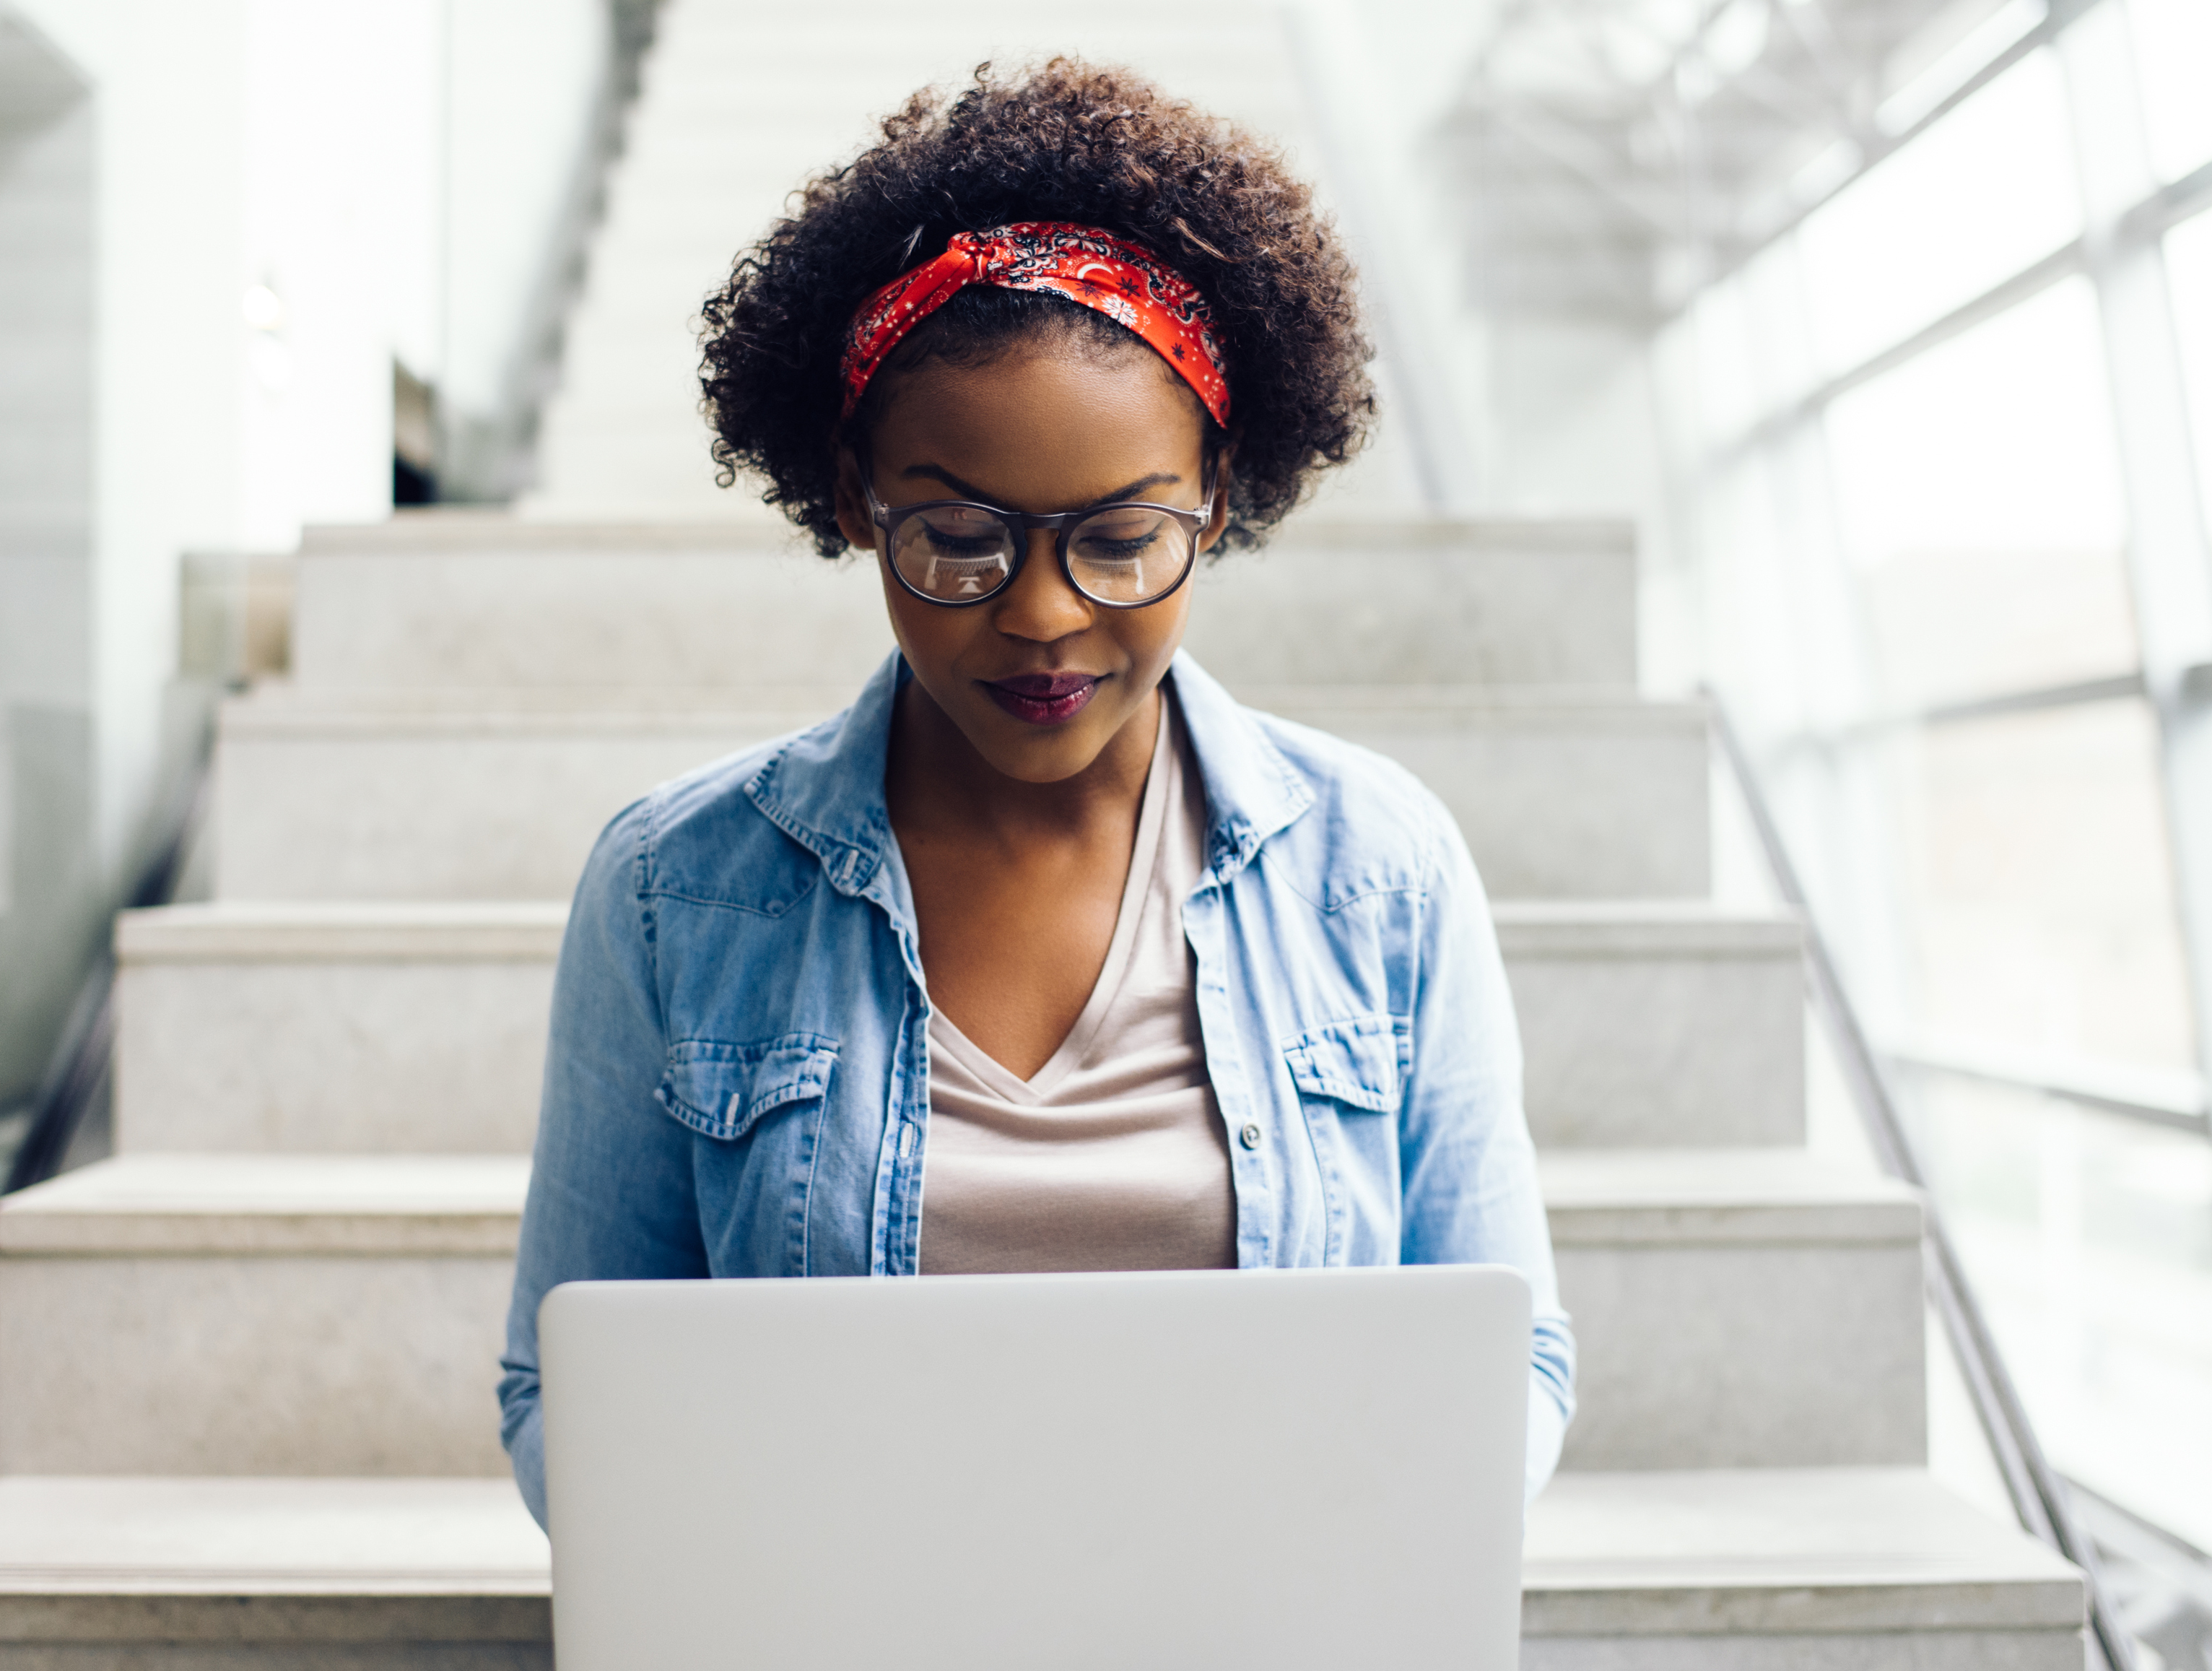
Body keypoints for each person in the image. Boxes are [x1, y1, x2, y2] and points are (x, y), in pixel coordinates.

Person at [497, 58, 1574, 1526]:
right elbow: (568, 1387)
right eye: (958, 535)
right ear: (857, 499)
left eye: (1125, 537)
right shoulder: (676, 887)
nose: (1045, 616)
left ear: (1218, 497)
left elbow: (1514, 1356)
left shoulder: (1378, 867)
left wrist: (1357, 1556)